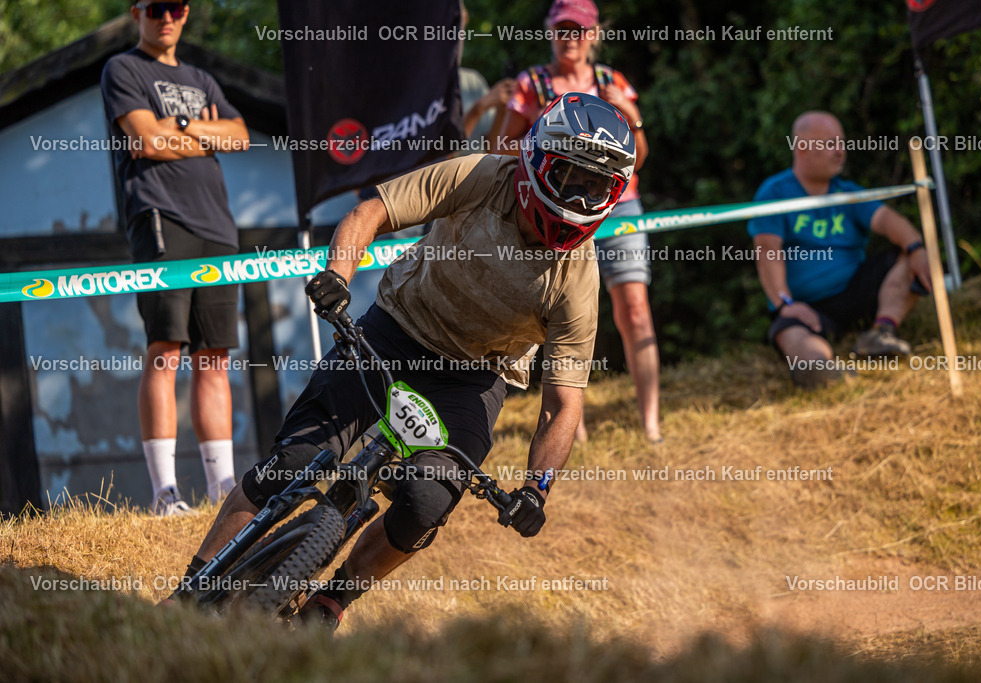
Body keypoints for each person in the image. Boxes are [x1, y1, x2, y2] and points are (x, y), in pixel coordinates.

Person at [177, 93, 636, 630]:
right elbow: (371, 211)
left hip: (471, 380)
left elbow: (563, 403)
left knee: (425, 502)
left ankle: (331, 604)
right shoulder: (482, 176)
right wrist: (337, 277)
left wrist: (537, 489)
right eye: (569, 178)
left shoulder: (578, 281)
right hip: (395, 330)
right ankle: (190, 591)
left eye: (596, 187)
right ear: (535, 162)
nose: (580, 197)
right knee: (294, 460)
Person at [101, 0, 250, 514]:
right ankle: (165, 494)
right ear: (137, 11)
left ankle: (221, 489)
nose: (168, 17)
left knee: (214, 359)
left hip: (219, 227)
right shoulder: (122, 68)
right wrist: (200, 133)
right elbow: (146, 140)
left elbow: (240, 136)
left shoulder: (202, 77)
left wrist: (179, 127)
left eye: (178, 7)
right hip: (162, 220)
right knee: (166, 350)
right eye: (157, 7)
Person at [498, 0, 660, 443]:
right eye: (562, 29)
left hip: (619, 207)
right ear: (550, 31)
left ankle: (651, 427)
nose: (570, 38)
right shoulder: (533, 83)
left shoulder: (612, 81)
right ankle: (573, 431)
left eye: (579, 30)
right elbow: (502, 145)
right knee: (564, 319)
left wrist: (629, 116)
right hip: (557, 211)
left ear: (594, 34)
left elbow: (640, 156)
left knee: (634, 311)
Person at [747, 111, 931, 388]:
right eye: (830, 143)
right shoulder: (774, 193)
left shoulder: (847, 191)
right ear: (802, 148)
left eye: (842, 143)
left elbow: (887, 220)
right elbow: (767, 251)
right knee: (790, 333)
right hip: (805, 308)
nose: (840, 152)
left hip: (855, 292)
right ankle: (821, 371)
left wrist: (917, 247)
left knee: (906, 256)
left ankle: (881, 332)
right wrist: (785, 303)